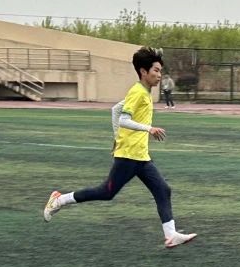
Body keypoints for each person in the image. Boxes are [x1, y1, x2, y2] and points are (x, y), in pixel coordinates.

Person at [43, 46, 197, 248]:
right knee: (106, 192)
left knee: (163, 190)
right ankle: (59, 200)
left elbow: (115, 110)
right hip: (129, 156)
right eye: (156, 70)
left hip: (140, 156)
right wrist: (148, 129)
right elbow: (124, 119)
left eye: (160, 70)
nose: (159, 75)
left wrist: (117, 138)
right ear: (143, 71)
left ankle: (171, 235)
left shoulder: (144, 92)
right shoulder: (138, 92)